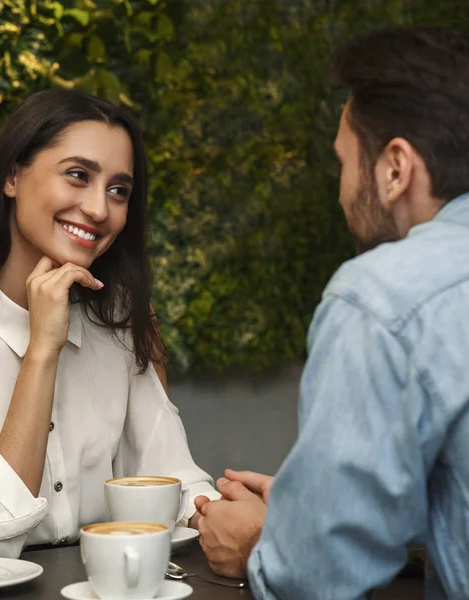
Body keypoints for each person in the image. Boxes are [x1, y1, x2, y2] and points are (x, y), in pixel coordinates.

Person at [0, 90, 219, 558]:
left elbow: (171, 483)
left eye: (119, 190)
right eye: (78, 175)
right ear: (13, 176)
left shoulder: (125, 320)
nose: (99, 209)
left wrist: (228, 517)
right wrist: (41, 351)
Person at [194, 27, 469, 599]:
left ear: (396, 168)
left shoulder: (383, 297)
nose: (342, 193)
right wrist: (315, 506)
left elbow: (315, 581)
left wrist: (263, 546)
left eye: (343, 163)